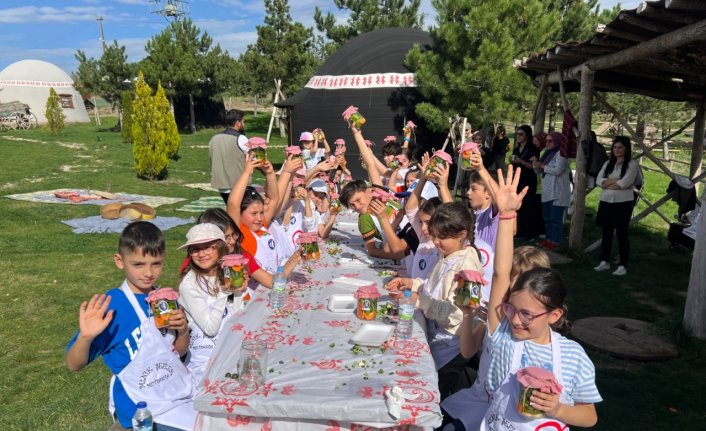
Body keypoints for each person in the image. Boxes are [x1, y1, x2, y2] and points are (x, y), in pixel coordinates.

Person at [481, 165, 601, 430]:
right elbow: (501, 274)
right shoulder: (501, 334)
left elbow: (589, 416)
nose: (515, 320)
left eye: (527, 314)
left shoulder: (573, 356)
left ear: (555, 314)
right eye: (511, 309)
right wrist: (507, 214)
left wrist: (557, 408)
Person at [66, 222, 196, 431]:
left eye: (156, 263)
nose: (148, 273)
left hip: (171, 393)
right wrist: (86, 337)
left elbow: (178, 352)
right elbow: (73, 364)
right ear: (120, 261)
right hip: (138, 407)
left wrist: (182, 331)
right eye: (138, 264)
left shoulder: (164, 299)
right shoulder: (112, 307)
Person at [441, 246, 551, 431]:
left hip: (510, 408)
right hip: (479, 395)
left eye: (521, 279)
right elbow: (468, 350)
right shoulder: (497, 314)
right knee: (433, 420)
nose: (513, 284)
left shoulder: (537, 328)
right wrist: (468, 315)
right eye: (511, 277)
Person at [386, 203, 484, 401]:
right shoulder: (447, 255)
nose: (436, 242)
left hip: (453, 343)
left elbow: (457, 312)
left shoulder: (467, 267)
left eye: (442, 237)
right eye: (435, 235)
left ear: (462, 234)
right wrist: (412, 284)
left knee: (434, 390)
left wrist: (420, 301)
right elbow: (433, 285)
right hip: (436, 333)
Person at [178, 223, 249, 384]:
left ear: (221, 248)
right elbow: (210, 329)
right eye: (195, 249)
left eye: (208, 247)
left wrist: (238, 292)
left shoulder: (226, 273)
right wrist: (225, 292)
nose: (202, 254)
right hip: (205, 359)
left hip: (231, 348)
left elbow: (237, 316)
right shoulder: (189, 285)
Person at [594, 136, 639, 276]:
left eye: (620, 147)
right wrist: (615, 181)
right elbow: (598, 180)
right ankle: (604, 261)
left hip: (623, 203)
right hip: (606, 201)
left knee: (621, 234)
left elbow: (625, 183)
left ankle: (623, 265)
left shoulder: (632, 164)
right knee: (606, 232)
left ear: (626, 149)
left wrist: (609, 183)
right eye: (615, 147)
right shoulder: (608, 163)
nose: (617, 150)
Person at [533, 132, 571, 251]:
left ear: (558, 141)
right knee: (547, 218)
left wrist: (542, 166)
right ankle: (548, 239)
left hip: (558, 191)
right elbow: (538, 172)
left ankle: (555, 241)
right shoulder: (547, 154)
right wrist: (536, 164)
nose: (548, 143)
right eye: (546, 141)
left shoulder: (561, 154)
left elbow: (558, 170)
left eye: (551, 141)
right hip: (548, 190)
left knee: (555, 219)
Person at [209, 109, 247, 205]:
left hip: (221, 185)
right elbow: (254, 158)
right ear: (238, 123)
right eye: (243, 121)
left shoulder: (214, 139)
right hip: (237, 184)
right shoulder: (241, 139)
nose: (244, 124)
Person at [510, 124, 539, 240]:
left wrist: (520, 161)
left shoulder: (532, 148)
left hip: (528, 180)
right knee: (519, 207)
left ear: (527, 135)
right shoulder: (517, 148)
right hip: (518, 179)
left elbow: (533, 166)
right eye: (517, 134)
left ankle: (530, 233)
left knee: (528, 206)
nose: (518, 136)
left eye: (521, 134)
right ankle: (520, 231)